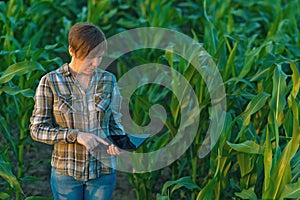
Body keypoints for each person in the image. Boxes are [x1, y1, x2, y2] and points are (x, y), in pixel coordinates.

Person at [30, 22, 124, 199]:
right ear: (72, 51)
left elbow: (115, 121)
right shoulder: (50, 82)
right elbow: (37, 130)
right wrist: (76, 135)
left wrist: (118, 140)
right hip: (66, 173)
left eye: (101, 57)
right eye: (91, 57)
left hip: (102, 172)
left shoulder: (108, 81)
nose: (96, 63)